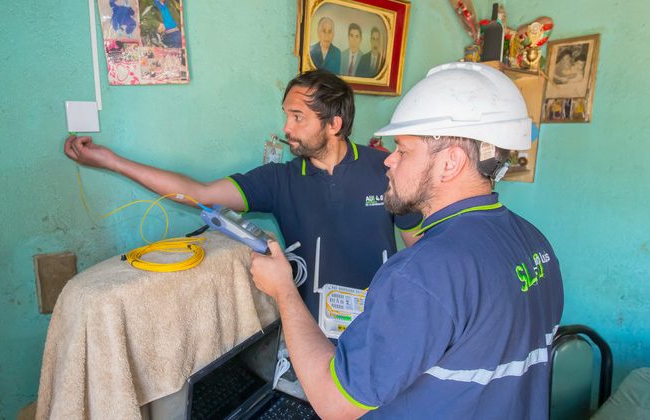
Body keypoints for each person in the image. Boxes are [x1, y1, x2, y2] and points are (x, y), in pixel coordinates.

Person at [249, 62, 564, 418]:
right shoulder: (535, 242)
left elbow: (335, 403)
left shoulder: (422, 274)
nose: (389, 161)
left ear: (450, 162)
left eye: (403, 149)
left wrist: (284, 291)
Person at [64, 70, 421, 322]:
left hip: (381, 320)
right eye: (286, 116)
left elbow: (420, 248)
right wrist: (111, 161)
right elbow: (197, 193)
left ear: (334, 124)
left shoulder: (385, 166)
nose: (286, 128)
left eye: (298, 117)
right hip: (311, 328)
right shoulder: (279, 180)